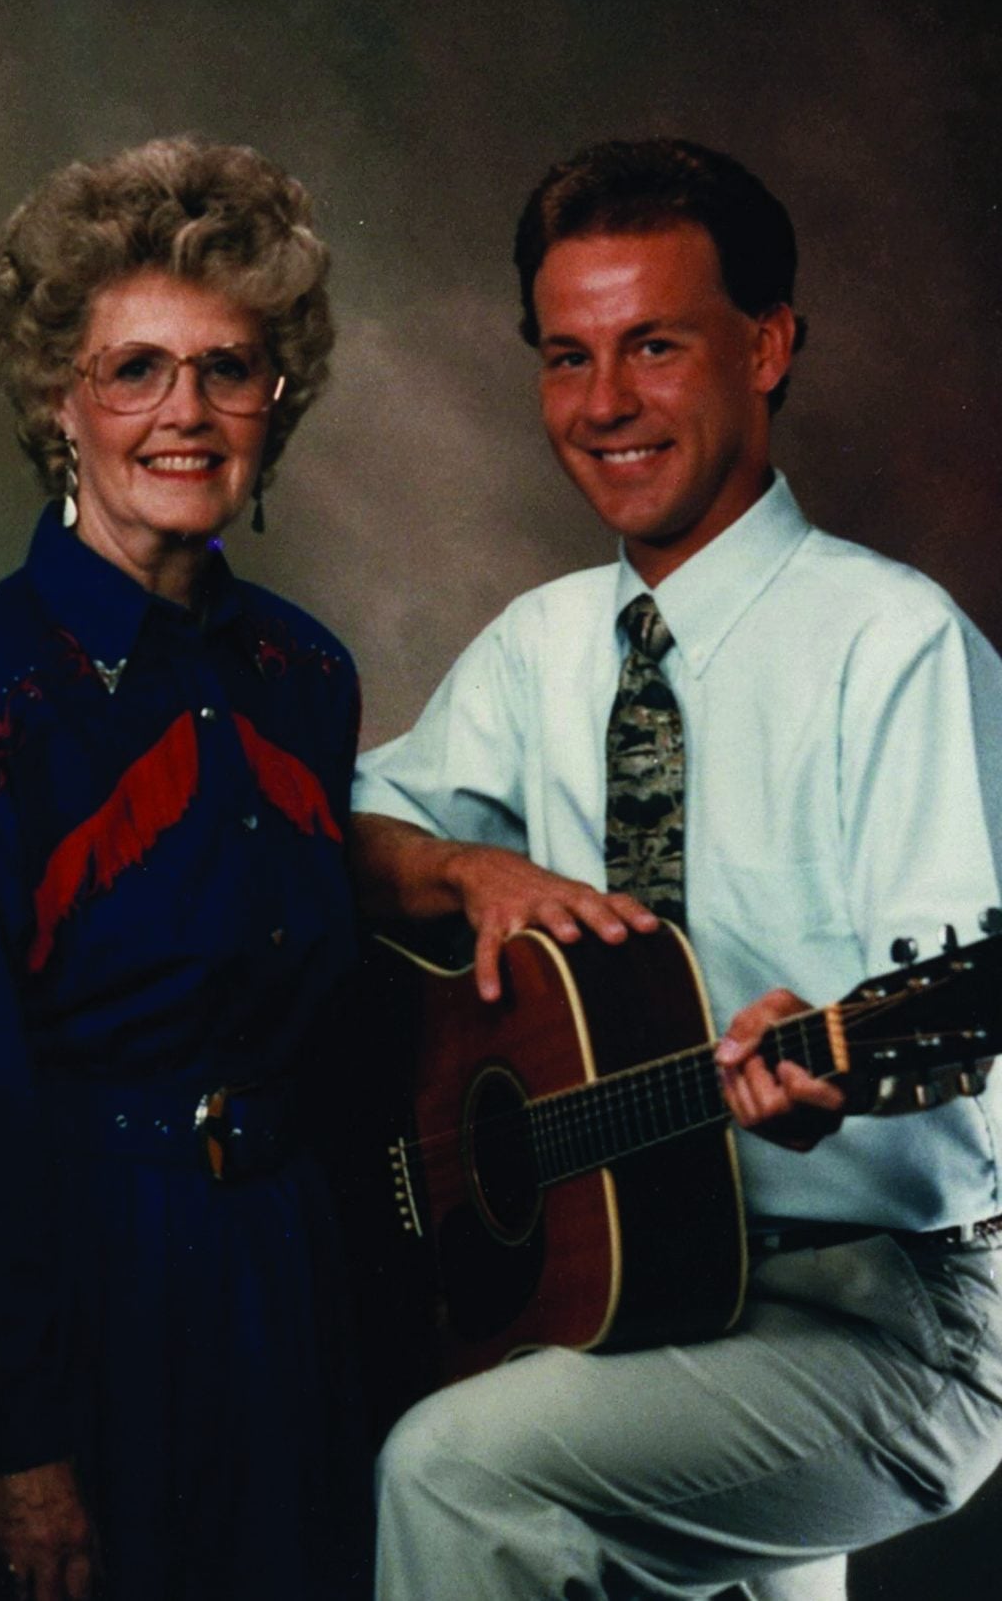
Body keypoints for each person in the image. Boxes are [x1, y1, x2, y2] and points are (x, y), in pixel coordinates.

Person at [354, 138, 1002, 1598]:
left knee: (454, 1473)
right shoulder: (543, 647)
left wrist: (827, 1077)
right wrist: (466, 872)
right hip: (634, 1292)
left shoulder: (891, 645)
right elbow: (339, 837)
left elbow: (951, 1021)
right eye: (566, 357)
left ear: (766, 348)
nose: (601, 407)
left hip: (877, 1317)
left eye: (653, 346)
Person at [0, 138, 372, 1601]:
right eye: (135, 370)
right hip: (76, 1282)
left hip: (289, 1269)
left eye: (230, 369)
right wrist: (26, 1444)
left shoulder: (305, 677)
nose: (185, 414)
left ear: (280, 397)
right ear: (59, 402)